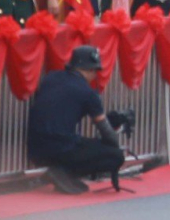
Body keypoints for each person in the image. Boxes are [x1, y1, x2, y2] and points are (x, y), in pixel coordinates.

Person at [27, 45, 126, 194]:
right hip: (61, 148)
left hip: (34, 149)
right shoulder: (87, 93)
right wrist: (114, 142)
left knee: (80, 143)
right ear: (92, 70)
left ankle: (61, 173)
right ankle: (63, 173)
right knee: (115, 156)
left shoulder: (51, 77)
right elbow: (107, 132)